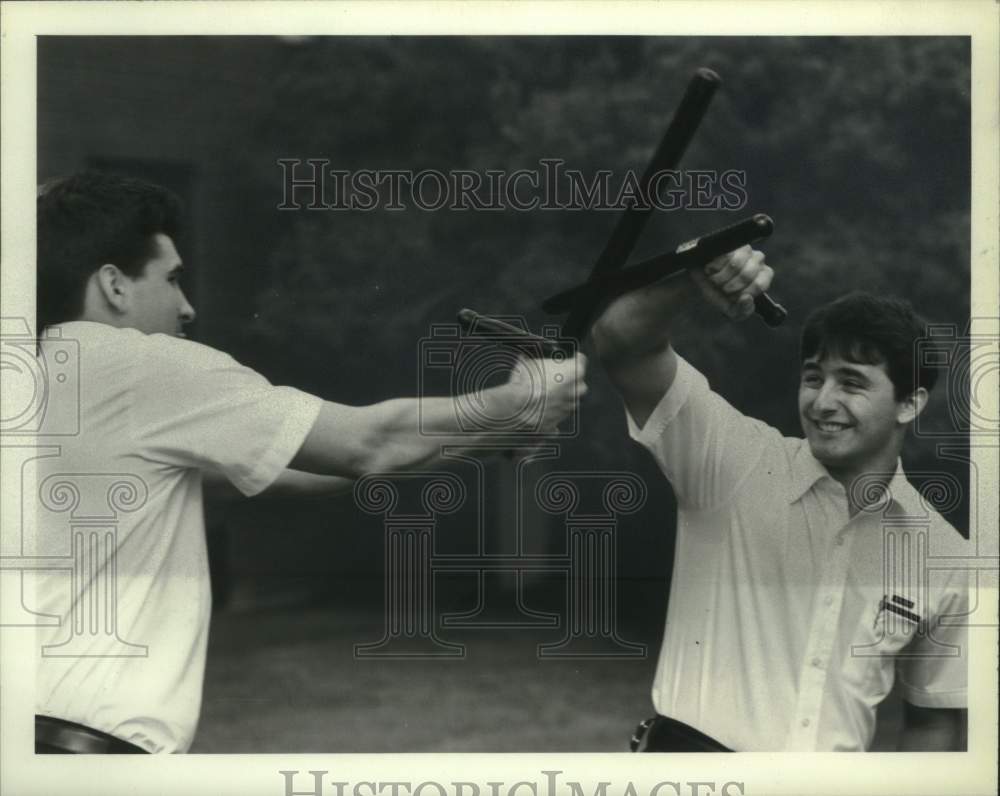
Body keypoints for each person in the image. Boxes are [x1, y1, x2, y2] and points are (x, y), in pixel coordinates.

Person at [31, 171, 587, 753]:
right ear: (115, 286)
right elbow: (367, 443)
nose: (187, 307)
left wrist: (493, 432)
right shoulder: (143, 368)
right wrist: (516, 402)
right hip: (88, 758)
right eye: (172, 280)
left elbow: (295, 471)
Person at [591, 246, 968, 752]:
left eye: (851, 383)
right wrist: (695, 276)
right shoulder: (733, 460)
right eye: (814, 377)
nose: (822, 401)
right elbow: (621, 342)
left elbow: (933, 721)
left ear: (909, 403)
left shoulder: (945, 556)